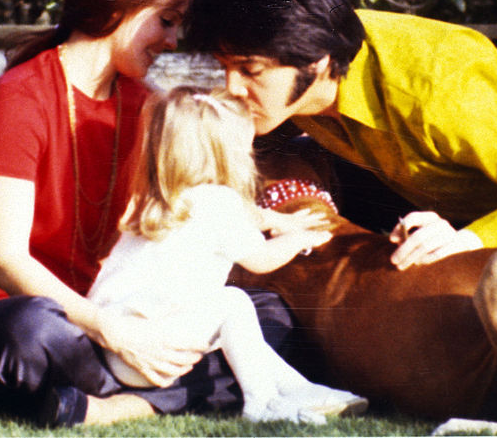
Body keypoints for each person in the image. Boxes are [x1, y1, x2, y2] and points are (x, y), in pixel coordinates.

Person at [0, 0, 297, 427]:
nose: (172, 40)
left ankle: (109, 406)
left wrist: (275, 220)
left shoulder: (145, 106)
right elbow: (5, 261)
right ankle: (160, 394)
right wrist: (113, 332)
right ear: (122, 4)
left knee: (265, 315)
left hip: (109, 328)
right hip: (12, 323)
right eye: (165, 20)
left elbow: (193, 201)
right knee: (28, 331)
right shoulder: (20, 99)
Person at [182, 0, 497, 269]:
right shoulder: (291, 81)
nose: (231, 88)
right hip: (422, 188)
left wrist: (469, 241)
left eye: (249, 70)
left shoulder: (437, 82)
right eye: (225, 68)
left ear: (315, 63)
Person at [88, 86, 368, 423]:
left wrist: (281, 220)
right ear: (225, 155)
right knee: (233, 304)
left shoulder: (163, 200)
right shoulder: (222, 203)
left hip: (114, 345)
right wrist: (301, 238)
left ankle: (302, 390)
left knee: (239, 333)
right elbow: (261, 259)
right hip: (156, 352)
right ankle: (261, 404)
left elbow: (251, 217)